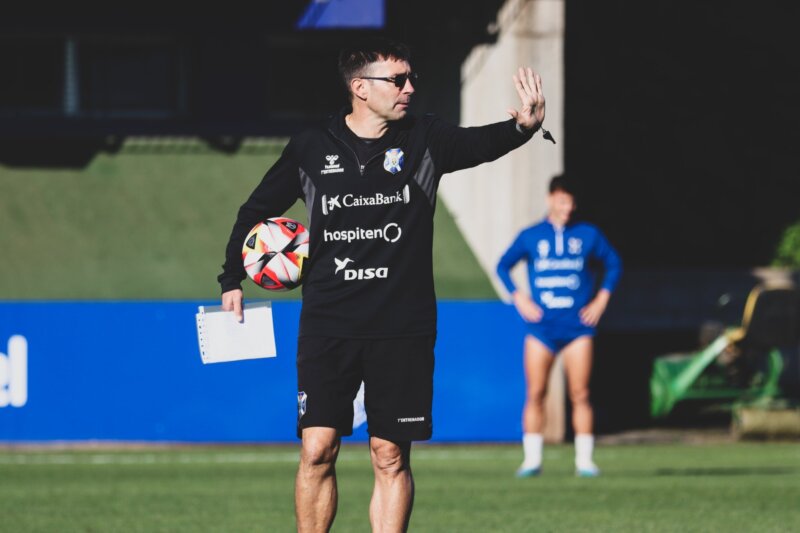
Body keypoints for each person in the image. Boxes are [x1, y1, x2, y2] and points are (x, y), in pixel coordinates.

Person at [218, 38, 549, 532]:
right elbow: (256, 211)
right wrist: (232, 277)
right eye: (398, 80)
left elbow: (479, 144)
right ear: (359, 88)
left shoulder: (425, 139)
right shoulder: (313, 146)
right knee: (317, 449)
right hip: (329, 321)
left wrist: (522, 127)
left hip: (404, 325)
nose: (410, 89)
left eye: (411, 78)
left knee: (389, 454)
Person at [496, 176, 621, 478]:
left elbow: (613, 264)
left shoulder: (588, 234)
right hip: (541, 329)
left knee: (580, 393)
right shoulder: (531, 235)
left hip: (578, 329)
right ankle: (532, 461)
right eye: (563, 201)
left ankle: (585, 462)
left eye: (572, 202)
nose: (568, 208)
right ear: (551, 198)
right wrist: (519, 298)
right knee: (536, 393)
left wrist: (601, 301)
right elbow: (503, 265)